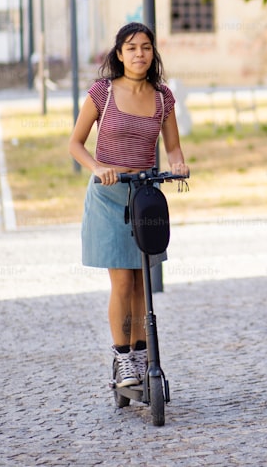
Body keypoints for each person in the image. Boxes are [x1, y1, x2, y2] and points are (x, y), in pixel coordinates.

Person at [68, 22, 189, 387]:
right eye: (132, 47)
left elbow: (172, 147)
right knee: (122, 282)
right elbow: (75, 143)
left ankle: (140, 356)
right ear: (119, 54)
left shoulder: (163, 97)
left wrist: (179, 165)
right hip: (108, 196)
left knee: (141, 282)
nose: (140, 54)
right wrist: (98, 167)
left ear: (153, 53)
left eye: (146, 47)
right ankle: (122, 359)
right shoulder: (102, 93)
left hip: (144, 196)